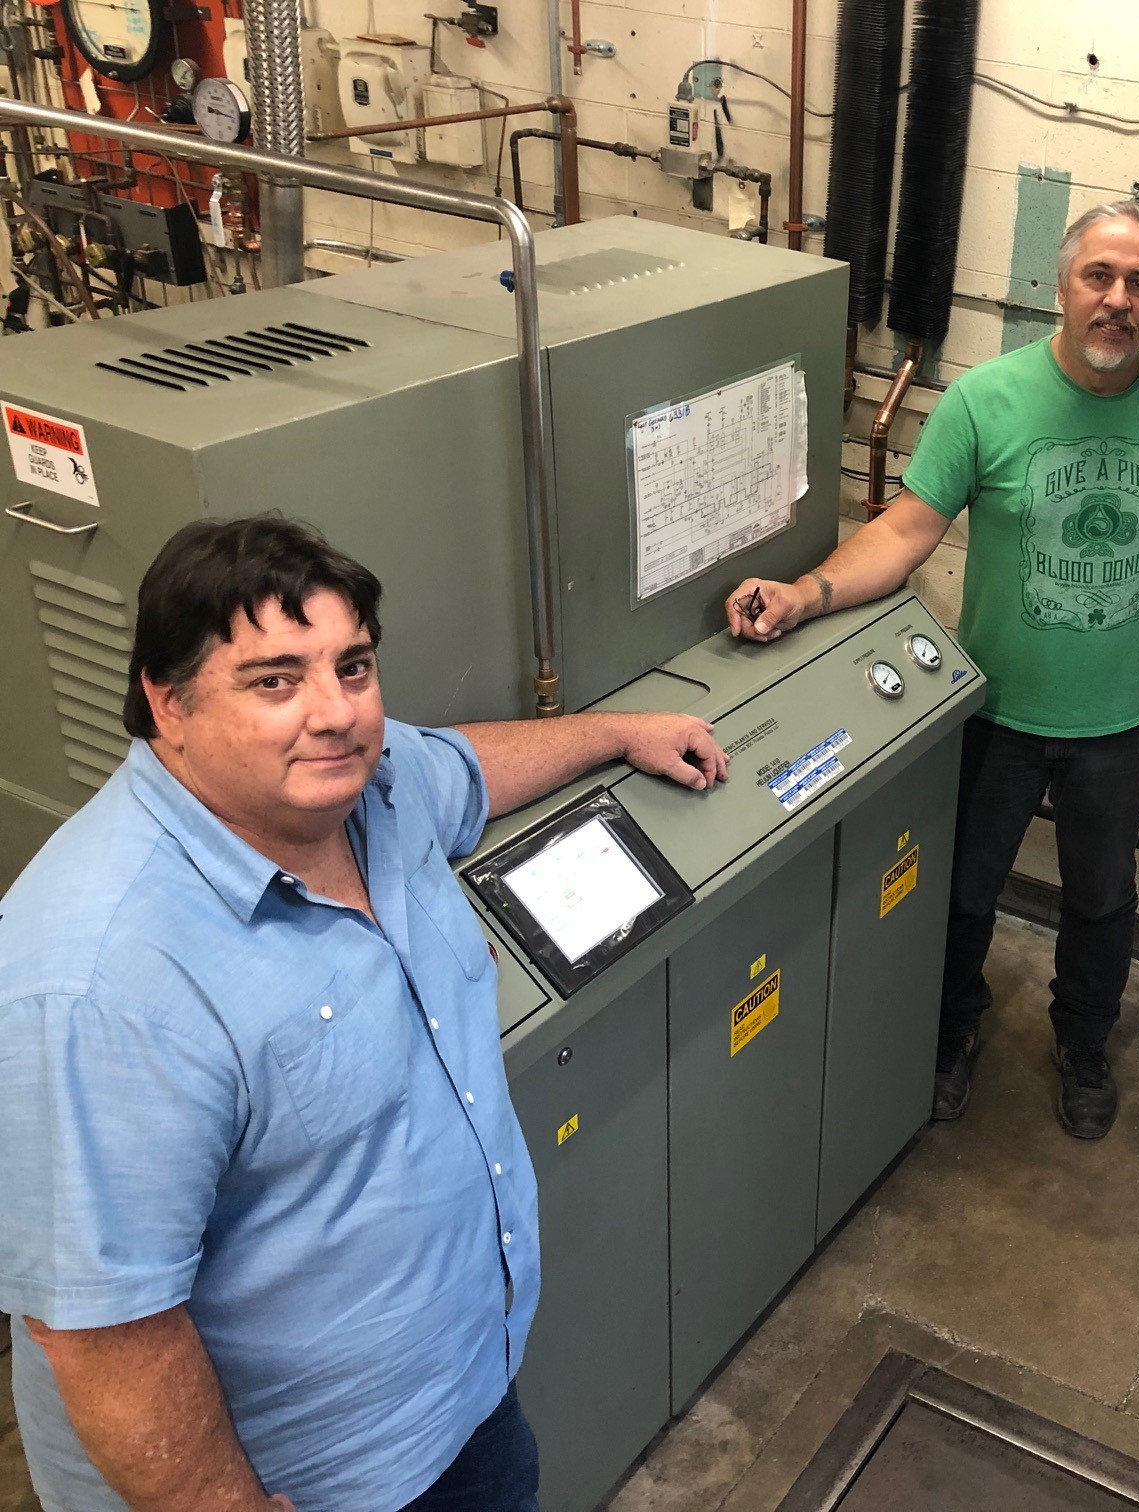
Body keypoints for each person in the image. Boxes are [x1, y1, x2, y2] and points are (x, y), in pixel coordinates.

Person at [0, 516, 729, 1511]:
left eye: (353, 668)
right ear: (166, 704)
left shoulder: (370, 795)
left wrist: (618, 731)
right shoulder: (98, 981)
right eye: (275, 681)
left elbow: (466, 764)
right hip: (310, 1483)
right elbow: (101, 1334)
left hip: (463, 1403)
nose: (334, 711)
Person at [722, 198, 1139, 1139]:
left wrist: (1136, 591)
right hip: (995, 711)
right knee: (962, 889)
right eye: (1100, 277)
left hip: (1118, 721)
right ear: (1061, 286)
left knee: (1102, 897)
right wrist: (807, 594)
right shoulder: (984, 401)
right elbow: (907, 531)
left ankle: (1084, 1044)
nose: (1118, 300)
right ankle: (952, 1028)